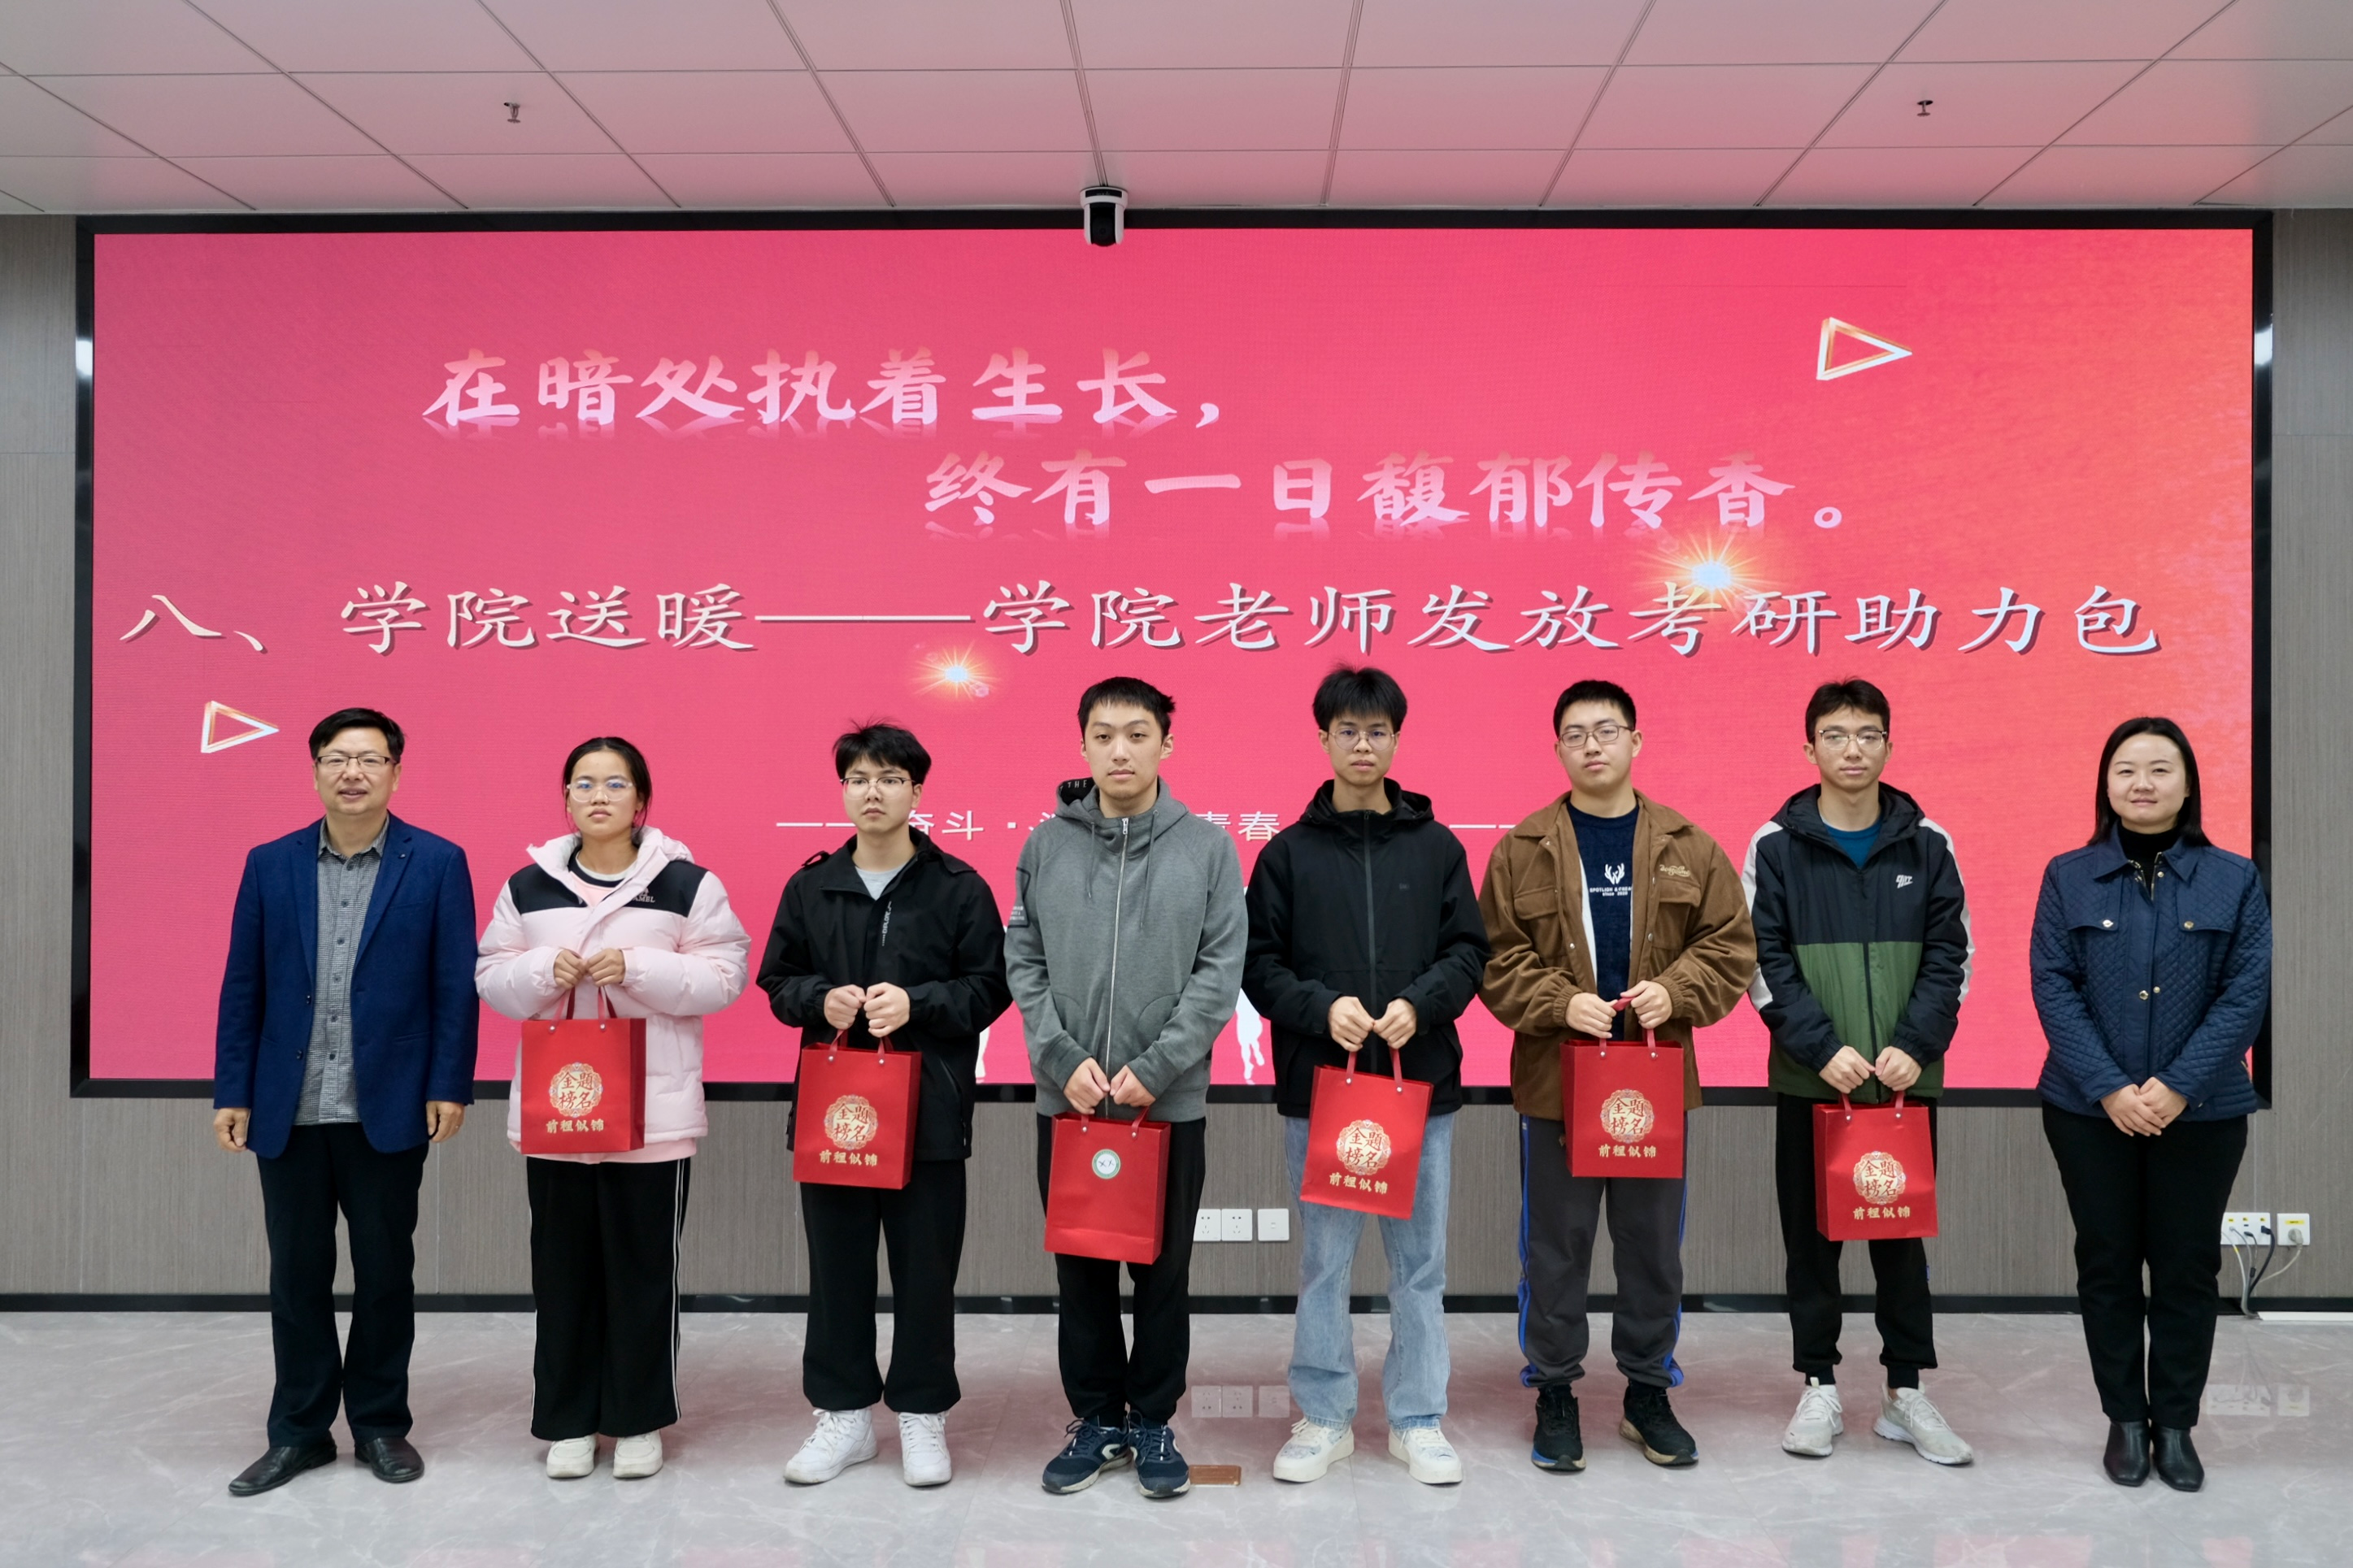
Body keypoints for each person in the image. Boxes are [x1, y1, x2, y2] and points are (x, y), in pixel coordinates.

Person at [1477, 679, 1755, 1474]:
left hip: (1652, 1082)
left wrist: (1676, 991)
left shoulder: (1689, 845)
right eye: (1575, 734)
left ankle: (1646, 1392)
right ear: (1557, 749)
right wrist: (1559, 1002)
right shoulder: (1522, 847)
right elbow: (1494, 957)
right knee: (1554, 1248)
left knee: (1652, 1248)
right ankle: (1555, 1391)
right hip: (1557, 1086)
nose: (1592, 745)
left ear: (1636, 740)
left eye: (1606, 730)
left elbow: (1729, 946)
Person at [212, 707, 479, 1496]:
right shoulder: (271, 864)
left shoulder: (437, 862)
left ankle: (379, 1424)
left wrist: (447, 1082)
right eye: (336, 758)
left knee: (384, 1272)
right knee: (296, 1275)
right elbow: (243, 985)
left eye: (368, 759)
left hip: (386, 1104)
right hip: (288, 1104)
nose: (352, 772)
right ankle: (298, 1432)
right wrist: (234, 1089)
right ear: (315, 771)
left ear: (396, 771)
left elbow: (453, 988)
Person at [476, 737, 750, 1481]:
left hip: (653, 1118)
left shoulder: (686, 882)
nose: (599, 796)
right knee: (561, 1274)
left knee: (642, 1274)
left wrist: (635, 967)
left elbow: (725, 974)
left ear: (641, 800)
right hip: (559, 1113)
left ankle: (636, 1420)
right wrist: (544, 969)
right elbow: (492, 976)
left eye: (615, 783)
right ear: (566, 798)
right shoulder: (528, 885)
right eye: (584, 783)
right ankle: (567, 1421)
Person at [1243, 667, 1490, 1487]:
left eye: (1376, 730)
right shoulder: (1286, 854)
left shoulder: (1437, 846)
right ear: (1323, 739)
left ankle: (1417, 1419)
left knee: (1419, 1265)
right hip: (1324, 1088)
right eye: (1346, 730)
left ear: (1396, 739)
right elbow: (1258, 965)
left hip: (1419, 1085)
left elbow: (1469, 952)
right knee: (1325, 1263)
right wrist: (1322, 1009)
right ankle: (1324, 1416)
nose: (1361, 744)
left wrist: (1420, 1004)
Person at [1008, 676, 1246, 1501]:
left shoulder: (1208, 849)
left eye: (1137, 734)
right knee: (1080, 1270)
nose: (1120, 750)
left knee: (1162, 1272)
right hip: (1069, 1101)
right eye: (1103, 734)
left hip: (1164, 1104)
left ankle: (1151, 1419)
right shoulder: (1045, 845)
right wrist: (1058, 1055)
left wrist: (1156, 1066)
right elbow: (1023, 960)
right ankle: (1096, 1419)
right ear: (1082, 744)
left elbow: (1218, 972)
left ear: (1165, 745)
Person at [756, 723, 1011, 1489]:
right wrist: (818, 998)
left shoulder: (958, 886)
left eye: (891, 778)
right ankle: (843, 1415)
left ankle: (923, 1413)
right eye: (860, 778)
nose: (874, 791)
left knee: (925, 1272)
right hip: (836, 1112)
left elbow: (991, 987)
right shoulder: (812, 886)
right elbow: (777, 981)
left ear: (917, 791)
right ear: (843, 790)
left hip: (927, 1113)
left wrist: (918, 1002)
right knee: (836, 1269)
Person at [2031, 717, 2269, 1493]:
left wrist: (2176, 1085)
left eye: (2160, 768)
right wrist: (2108, 1085)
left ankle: (2175, 1425)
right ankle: (2125, 1421)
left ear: (2188, 782)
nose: (2143, 782)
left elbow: (2245, 994)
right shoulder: (2068, 874)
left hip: (2202, 1112)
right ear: (2105, 783)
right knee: (2106, 1263)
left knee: (2186, 1267)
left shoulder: (2234, 877)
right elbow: (2053, 985)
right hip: (2086, 1110)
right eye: (2126, 768)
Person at [1742, 679, 1974, 1466]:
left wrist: (1916, 1042)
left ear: (1888, 745)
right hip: (1813, 1080)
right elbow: (1762, 961)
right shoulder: (1775, 844)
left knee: (1901, 1240)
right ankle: (1818, 1385)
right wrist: (1821, 1048)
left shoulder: (1927, 842)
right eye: (1835, 735)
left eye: (1867, 734)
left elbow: (1951, 952)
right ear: (1808, 747)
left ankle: (1905, 1391)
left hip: (1903, 1081)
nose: (1852, 749)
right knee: (1811, 1242)